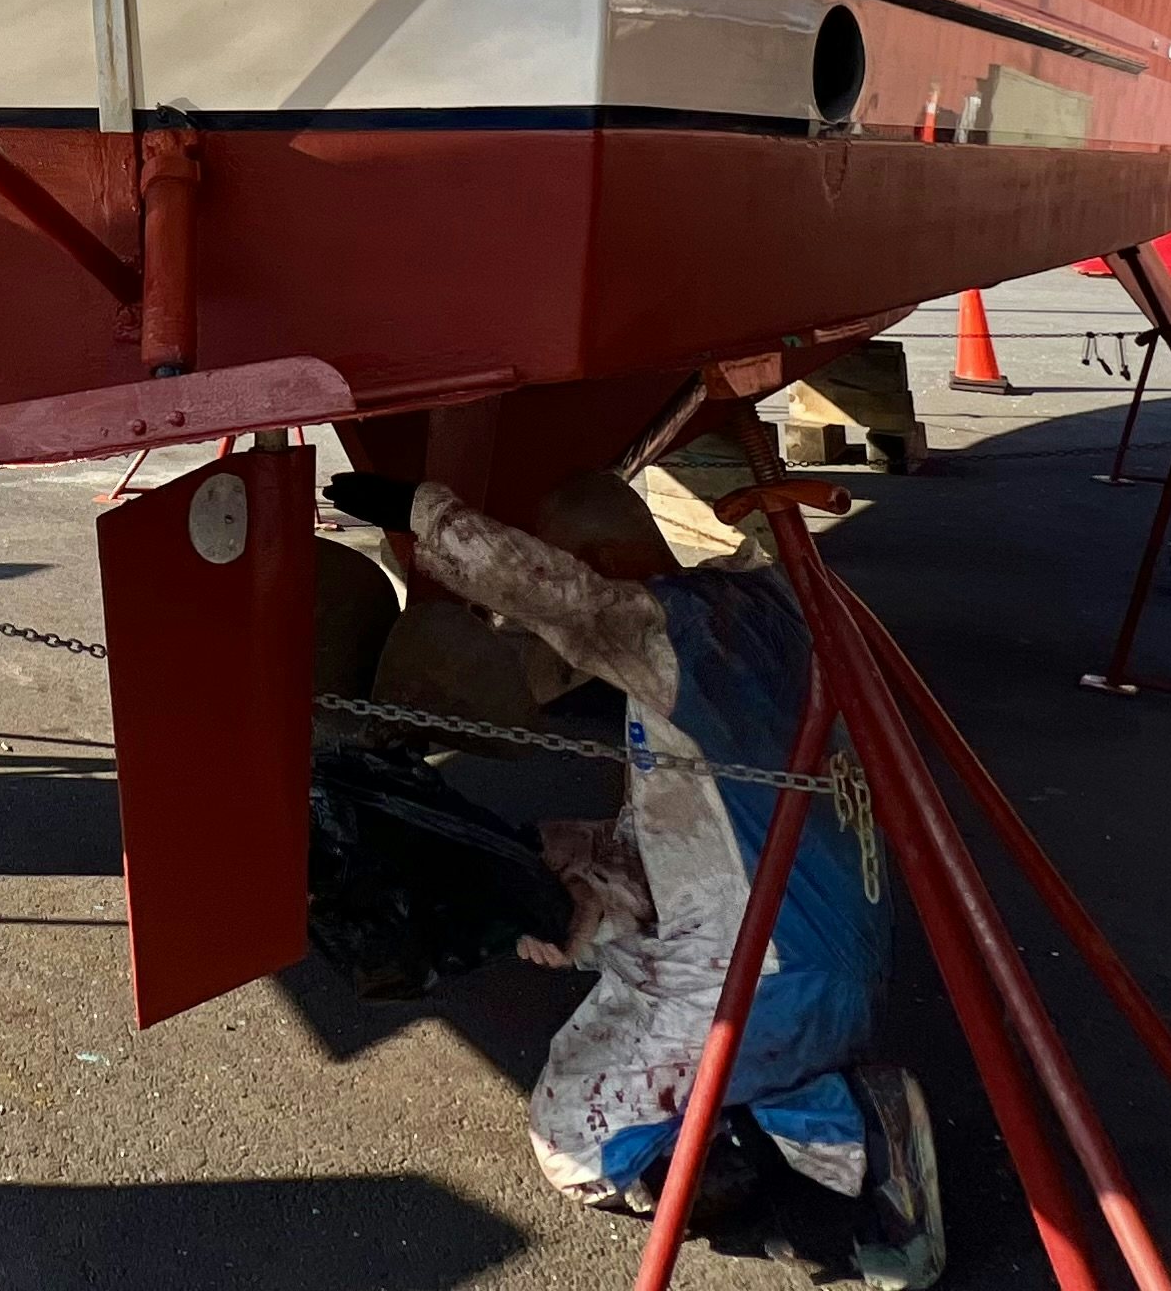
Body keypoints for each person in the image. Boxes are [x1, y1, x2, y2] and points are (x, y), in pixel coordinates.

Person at [324, 459, 943, 1287]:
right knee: (569, 914)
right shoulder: (760, 608)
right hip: (805, 940)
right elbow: (684, 837)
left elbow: (562, 599)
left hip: (770, 975)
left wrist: (420, 513)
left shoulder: (671, 634)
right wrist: (565, 883)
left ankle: (842, 1133)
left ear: (608, 558)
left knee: (576, 1142)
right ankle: (799, 1100)